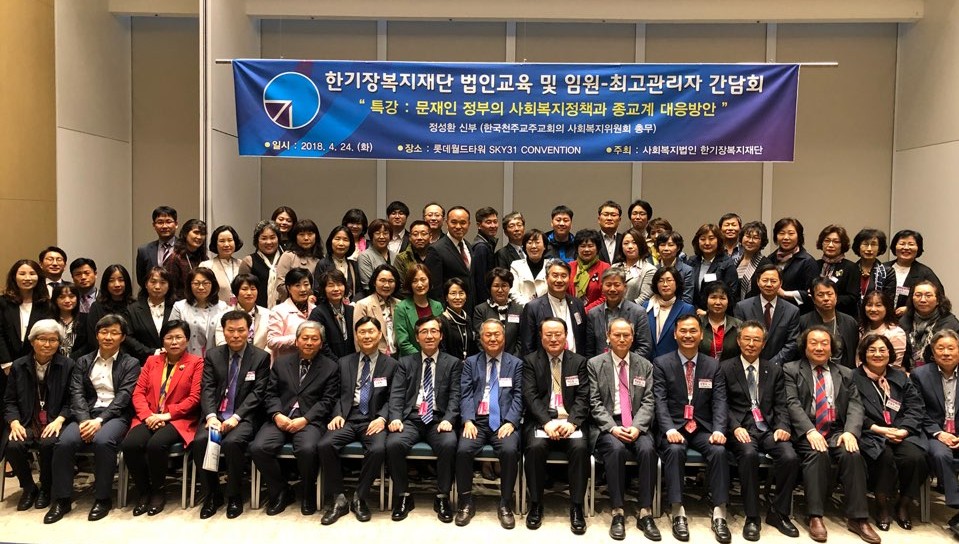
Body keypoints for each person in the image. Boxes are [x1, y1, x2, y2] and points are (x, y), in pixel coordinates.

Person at [783, 326, 879, 544]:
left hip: (836, 430)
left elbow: (855, 404)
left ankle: (858, 518)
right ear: (804, 347)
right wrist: (809, 430)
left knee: (852, 454)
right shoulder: (791, 369)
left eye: (824, 343)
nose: (819, 347)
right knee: (818, 454)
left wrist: (850, 432)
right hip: (806, 431)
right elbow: (792, 403)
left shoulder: (845, 373)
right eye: (813, 343)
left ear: (832, 347)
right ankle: (815, 515)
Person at [45, 314, 139, 524]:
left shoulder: (131, 363)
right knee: (64, 442)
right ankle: (62, 499)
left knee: (103, 441)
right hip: (86, 414)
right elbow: (76, 392)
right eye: (104, 332)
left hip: (115, 415)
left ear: (123, 337)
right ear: (97, 335)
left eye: (114, 333)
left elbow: (124, 397)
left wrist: (99, 421)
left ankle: (103, 498)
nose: (108, 337)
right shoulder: (83, 361)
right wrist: (84, 420)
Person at [653, 314, 731, 544]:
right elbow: (659, 401)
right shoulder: (661, 363)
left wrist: (719, 430)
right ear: (675, 334)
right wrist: (668, 429)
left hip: (702, 427)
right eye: (683, 331)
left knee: (718, 451)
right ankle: (678, 510)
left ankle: (719, 512)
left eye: (693, 331)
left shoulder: (713, 365)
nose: (688, 335)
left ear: (701, 335)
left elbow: (720, 401)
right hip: (674, 427)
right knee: (674, 450)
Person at [718, 321, 800, 541]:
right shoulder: (725, 368)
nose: (751, 344)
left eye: (756, 340)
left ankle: (778, 512)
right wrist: (734, 427)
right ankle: (752, 516)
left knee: (790, 457)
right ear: (738, 341)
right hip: (740, 428)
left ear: (764, 344)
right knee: (748, 455)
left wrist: (782, 426)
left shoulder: (773, 369)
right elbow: (721, 404)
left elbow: (781, 404)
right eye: (747, 339)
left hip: (768, 427)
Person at [251, 321, 338, 517]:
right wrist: (276, 414)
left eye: (314, 339)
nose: (309, 342)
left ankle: (307, 493)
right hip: (280, 417)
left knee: (307, 449)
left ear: (321, 343)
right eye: (305, 338)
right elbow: (270, 393)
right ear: (297, 341)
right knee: (258, 448)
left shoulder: (330, 367)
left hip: (310, 421)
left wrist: (306, 419)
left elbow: (327, 401)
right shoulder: (281, 363)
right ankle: (281, 490)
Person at [319, 317, 398, 524]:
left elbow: (393, 397)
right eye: (362, 332)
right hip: (347, 417)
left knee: (378, 449)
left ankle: (360, 497)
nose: (367, 336)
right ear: (356, 336)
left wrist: (383, 418)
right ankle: (339, 498)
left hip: (373, 419)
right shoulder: (344, 362)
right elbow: (335, 394)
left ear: (379, 335)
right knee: (325, 444)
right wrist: (337, 413)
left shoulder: (391, 364)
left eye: (371, 332)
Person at [587, 317, 660, 541]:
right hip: (609, 425)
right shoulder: (595, 364)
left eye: (626, 335)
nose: (621, 339)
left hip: (637, 423)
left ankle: (645, 511)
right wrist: (611, 428)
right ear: (607, 337)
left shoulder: (645, 365)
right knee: (616, 450)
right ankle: (617, 510)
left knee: (648, 450)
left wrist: (637, 427)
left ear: (633, 337)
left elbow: (649, 401)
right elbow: (594, 402)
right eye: (616, 335)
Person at [121, 319, 203, 516]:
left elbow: (194, 398)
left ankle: (158, 491)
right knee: (130, 444)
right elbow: (138, 393)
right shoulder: (152, 361)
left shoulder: (196, 363)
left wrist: (167, 415)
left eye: (178, 337)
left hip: (178, 419)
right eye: (169, 337)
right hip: (149, 416)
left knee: (156, 445)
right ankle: (143, 491)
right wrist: (148, 416)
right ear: (162, 340)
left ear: (187, 340)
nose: (174, 342)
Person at [195, 310, 271, 519]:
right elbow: (207, 388)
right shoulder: (213, 355)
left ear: (249, 331)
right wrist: (211, 416)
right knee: (201, 442)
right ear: (224, 331)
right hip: (216, 416)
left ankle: (234, 495)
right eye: (231, 330)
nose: (236, 335)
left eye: (241, 330)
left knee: (232, 443)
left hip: (244, 417)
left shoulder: (261, 357)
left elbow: (258, 393)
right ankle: (212, 495)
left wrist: (236, 417)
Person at [386, 315, 462, 522]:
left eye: (434, 331)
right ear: (417, 337)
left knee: (449, 443)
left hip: (438, 419)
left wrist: (449, 419)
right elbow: (397, 394)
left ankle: (442, 496)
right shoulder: (405, 363)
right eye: (424, 332)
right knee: (393, 444)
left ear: (441, 336)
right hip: (411, 418)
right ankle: (403, 495)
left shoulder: (453, 363)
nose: (429, 336)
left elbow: (456, 395)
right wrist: (395, 418)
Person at [522, 318, 590, 534]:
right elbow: (530, 396)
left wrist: (572, 422)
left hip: (570, 422)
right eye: (548, 334)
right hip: (542, 421)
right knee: (535, 448)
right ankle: (535, 503)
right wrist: (547, 422)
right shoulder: (530, 361)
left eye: (558, 334)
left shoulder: (578, 362)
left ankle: (576, 506)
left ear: (565, 336)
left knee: (580, 448)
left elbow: (583, 397)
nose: (553, 339)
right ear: (541, 337)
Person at [853, 333, 927, 531]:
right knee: (882, 456)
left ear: (890, 353)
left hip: (901, 431)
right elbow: (851, 410)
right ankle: (882, 505)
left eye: (882, 350)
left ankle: (903, 504)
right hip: (870, 432)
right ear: (864, 353)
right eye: (872, 350)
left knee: (916, 457)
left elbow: (915, 406)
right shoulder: (853, 377)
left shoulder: (900, 376)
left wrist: (904, 430)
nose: (877, 354)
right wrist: (878, 429)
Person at [454, 319, 523, 529]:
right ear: (481, 339)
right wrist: (467, 420)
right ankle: (466, 501)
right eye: (488, 335)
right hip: (477, 421)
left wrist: (511, 422)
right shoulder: (470, 363)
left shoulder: (516, 363)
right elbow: (465, 394)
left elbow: (519, 396)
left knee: (510, 450)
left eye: (497, 334)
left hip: (503, 421)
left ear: (504, 337)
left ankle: (505, 503)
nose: (493, 338)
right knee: (463, 450)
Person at [3, 320, 74, 511]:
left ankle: (46, 488)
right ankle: (28, 488)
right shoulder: (18, 366)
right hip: (26, 420)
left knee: (49, 443)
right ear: (32, 341)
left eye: (53, 340)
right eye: (42, 339)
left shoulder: (68, 365)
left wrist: (60, 419)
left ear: (59, 343)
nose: (47, 344)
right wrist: (14, 422)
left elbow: (72, 400)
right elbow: (9, 401)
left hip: (55, 420)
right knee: (13, 444)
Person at [911, 329, 959, 537]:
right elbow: (918, 410)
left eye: (951, 348)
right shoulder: (920, 375)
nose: (946, 352)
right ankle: (956, 503)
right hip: (934, 432)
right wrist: (939, 433)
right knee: (940, 455)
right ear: (932, 351)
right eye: (941, 348)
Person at [733, 264, 801, 365]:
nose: (769, 284)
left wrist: (772, 364)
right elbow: (739, 338)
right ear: (758, 282)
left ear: (780, 283)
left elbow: (792, 342)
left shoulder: (792, 311)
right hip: (748, 364)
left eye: (773, 281)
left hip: (779, 367)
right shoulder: (742, 307)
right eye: (765, 280)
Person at [519, 259, 587, 356]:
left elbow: (583, 338)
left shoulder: (578, 304)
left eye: (564, 276)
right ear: (546, 278)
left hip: (575, 362)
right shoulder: (533, 307)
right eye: (555, 275)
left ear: (569, 278)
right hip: (544, 363)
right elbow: (527, 346)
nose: (559, 280)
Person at [0, 260, 51, 385]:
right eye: (22, 274)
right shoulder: (3, 302)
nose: (27, 278)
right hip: (5, 365)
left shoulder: (46, 304)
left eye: (32, 274)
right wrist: (6, 363)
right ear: (14, 277)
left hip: (35, 365)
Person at [585, 267, 652, 359]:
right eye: (608, 285)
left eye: (617, 285)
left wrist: (624, 363)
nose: (612, 289)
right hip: (601, 366)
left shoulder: (638, 312)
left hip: (630, 365)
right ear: (602, 287)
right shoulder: (593, 314)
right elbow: (589, 350)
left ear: (625, 287)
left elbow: (645, 347)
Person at [793, 279, 861, 368]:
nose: (826, 298)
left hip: (843, 372)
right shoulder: (802, 322)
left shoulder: (850, 322)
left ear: (836, 297)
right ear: (813, 299)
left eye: (829, 294)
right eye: (820, 295)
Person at [899, 279, 959, 369]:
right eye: (918, 295)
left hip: (939, 372)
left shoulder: (951, 324)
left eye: (928, 295)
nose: (923, 300)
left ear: (938, 300)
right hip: (908, 372)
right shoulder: (903, 321)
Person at [170, 267, 228, 358]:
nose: (201, 287)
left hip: (216, 360)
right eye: (196, 283)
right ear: (189, 285)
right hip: (186, 359)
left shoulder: (223, 307)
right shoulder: (179, 307)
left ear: (213, 285)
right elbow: (171, 334)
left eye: (206, 283)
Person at [425, 206, 473, 309]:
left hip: (468, 308)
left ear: (469, 224)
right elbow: (435, 288)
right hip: (447, 309)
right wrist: (442, 312)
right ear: (447, 223)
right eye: (454, 222)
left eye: (463, 223)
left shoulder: (468, 246)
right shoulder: (436, 249)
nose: (458, 226)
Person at [643, 266, 697, 359]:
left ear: (677, 283)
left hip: (673, 362)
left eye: (669, 280)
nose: (665, 284)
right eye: (661, 281)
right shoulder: (646, 306)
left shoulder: (687, 309)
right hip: (647, 361)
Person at [767, 217, 819, 314]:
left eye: (791, 233)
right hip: (772, 311)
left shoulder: (808, 262)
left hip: (798, 313)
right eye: (781, 233)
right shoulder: (770, 259)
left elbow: (813, 293)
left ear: (799, 236)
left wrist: (784, 294)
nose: (786, 237)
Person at [124, 266, 174, 364]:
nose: (157, 286)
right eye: (153, 282)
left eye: (162, 282)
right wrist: (152, 352)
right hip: (142, 362)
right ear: (146, 284)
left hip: (173, 361)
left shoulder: (176, 307)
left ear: (169, 286)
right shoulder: (132, 309)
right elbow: (128, 337)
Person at [886, 229, 943, 315]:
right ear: (894, 246)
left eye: (911, 244)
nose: (906, 248)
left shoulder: (925, 272)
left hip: (910, 319)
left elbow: (939, 298)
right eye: (902, 244)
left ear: (918, 248)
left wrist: (910, 308)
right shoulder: (883, 268)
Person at [267, 267, 316, 360]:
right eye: (297, 285)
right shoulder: (279, 311)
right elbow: (271, 342)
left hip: (312, 362)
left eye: (306, 284)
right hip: (286, 363)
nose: (303, 289)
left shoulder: (315, 310)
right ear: (288, 288)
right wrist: (298, 339)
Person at [394, 263, 443, 356]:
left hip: (436, 358)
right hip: (411, 360)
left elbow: (441, 337)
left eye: (423, 280)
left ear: (429, 281)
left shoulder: (438, 306)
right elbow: (403, 342)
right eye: (414, 281)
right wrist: (423, 358)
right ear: (410, 284)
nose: (419, 285)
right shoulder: (401, 308)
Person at [472, 267, 523, 357]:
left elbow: (521, 339)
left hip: (514, 360)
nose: (500, 290)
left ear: (510, 287)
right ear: (490, 288)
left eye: (504, 285)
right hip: (487, 359)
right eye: (496, 286)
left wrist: (513, 360)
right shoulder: (480, 310)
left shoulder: (518, 309)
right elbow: (479, 339)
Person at [353, 264, 402, 356]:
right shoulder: (363, 305)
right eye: (382, 280)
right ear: (374, 282)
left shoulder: (399, 304)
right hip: (374, 356)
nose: (387, 285)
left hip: (397, 356)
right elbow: (358, 338)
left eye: (391, 281)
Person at [687, 223, 739, 310]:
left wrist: (707, 313)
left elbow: (731, 295)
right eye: (703, 239)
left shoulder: (727, 264)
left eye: (711, 239)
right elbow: (688, 291)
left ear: (718, 241)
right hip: (693, 312)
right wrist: (695, 310)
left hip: (717, 313)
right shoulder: (692, 261)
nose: (707, 243)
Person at [307, 269, 356, 359]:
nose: (336, 289)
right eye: (331, 285)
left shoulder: (351, 311)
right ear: (324, 289)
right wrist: (337, 363)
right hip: (328, 363)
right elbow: (321, 345)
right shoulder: (318, 313)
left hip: (350, 362)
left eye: (339, 284)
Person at [214, 274, 270, 350]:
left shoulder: (268, 314)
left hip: (262, 356)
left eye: (253, 289)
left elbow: (270, 342)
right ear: (236, 292)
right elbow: (221, 342)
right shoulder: (224, 315)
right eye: (244, 289)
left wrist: (262, 356)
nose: (249, 293)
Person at [816, 225, 860, 317]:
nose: (830, 245)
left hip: (843, 315)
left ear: (842, 245)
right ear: (821, 243)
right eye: (827, 241)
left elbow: (852, 297)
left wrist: (828, 301)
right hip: (816, 314)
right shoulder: (814, 265)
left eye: (836, 242)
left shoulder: (851, 267)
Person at [239, 219, 284, 309]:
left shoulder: (286, 259)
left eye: (272, 237)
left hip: (283, 312)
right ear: (257, 240)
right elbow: (242, 290)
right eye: (264, 238)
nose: (269, 242)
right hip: (256, 311)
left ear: (278, 239)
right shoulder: (249, 261)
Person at [85, 263, 133, 347]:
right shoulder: (97, 307)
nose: (117, 284)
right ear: (105, 284)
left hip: (131, 353)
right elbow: (93, 338)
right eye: (111, 280)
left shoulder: (135, 306)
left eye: (121, 280)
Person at [275, 219, 324, 302]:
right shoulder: (288, 256)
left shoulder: (321, 258)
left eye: (310, 234)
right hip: (290, 304)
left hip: (315, 304)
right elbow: (280, 285)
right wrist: (303, 296)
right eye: (301, 234)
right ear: (295, 237)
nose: (306, 238)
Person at [859, 289, 907, 367]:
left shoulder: (896, 333)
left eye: (878, 305)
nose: (873, 309)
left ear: (887, 308)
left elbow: (895, 365)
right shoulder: (862, 329)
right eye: (869, 305)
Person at [163, 218, 208, 300]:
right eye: (196, 232)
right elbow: (170, 290)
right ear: (185, 233)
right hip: (181, 304)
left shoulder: (204, 258)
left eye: (202, 234)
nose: (199, 237)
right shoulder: (175, 258)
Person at [199, 225, 244, 305]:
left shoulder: (242, 264)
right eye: (222, 241)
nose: (226, 244)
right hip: (215, 310)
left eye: (230, 240)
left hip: (240, 309)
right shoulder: (206, 266)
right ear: (215, 244)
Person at [135, 205, 178, 288]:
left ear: (176, 224)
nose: (164, 226)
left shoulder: (185, 248)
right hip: (153, 294)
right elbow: (141, 280)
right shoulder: (144, 250)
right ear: (154, 225)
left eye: (168, 222)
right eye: (160, 222)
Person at [568, 228, 610, 311]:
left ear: (597, 248)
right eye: (582, 246)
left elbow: (605, 296)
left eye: (590, 246)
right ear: (577, 248)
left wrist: (585, 311)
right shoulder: (569, 267)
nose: (586, 250)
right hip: (571, 312)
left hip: (596, 314)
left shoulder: (605, 267)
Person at [313, 225, 359, 301]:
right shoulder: (322, 264)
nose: (341, 243)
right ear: (330, 241)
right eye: (337, 239)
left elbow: (359, 291)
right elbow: (318, 291)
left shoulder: (353, 265)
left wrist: (353, 303)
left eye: (345, 240)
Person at [611, 227, 656, 306]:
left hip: (634, 311)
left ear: (641, 245)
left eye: (634, 243)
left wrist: (623, 309)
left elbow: (644, 297)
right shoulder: (614, 267)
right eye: (626, 243)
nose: (630, 246)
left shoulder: (649, 270)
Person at [699, 282, 742, 361]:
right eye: (713, 297)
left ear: (728, 301)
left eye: (722, 298)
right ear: (706, 300)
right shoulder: (697, 323)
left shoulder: (738, 324)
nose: (718, 302)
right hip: (702, 367)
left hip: (730, 367)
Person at [439, 277, 477, 360]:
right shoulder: (442, 321)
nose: (457, 297)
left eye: (461, 293)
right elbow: (442, 350)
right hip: (450, 366)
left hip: (468, 365)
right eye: (453, 293)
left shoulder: (468, 319)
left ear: (466, 297)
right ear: (446, 297)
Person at [50, 282, 89, 359]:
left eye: (71, 296)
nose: (67, 300)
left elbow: (88, 345)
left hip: (79, 362)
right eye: (62, 297)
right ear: (55, 300)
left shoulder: (86, 319)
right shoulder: (48, 320)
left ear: (77, 298)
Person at [509, 228, 548, 306]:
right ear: (525, 247)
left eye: (537, 242)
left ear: (544, 246)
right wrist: (529, 307)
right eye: (529, 243)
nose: (533, 246)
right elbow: (513, 292)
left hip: (546, 309)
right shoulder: (516, 266)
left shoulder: (551, 266)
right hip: (522, 309)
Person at [392, 220, 431, 298]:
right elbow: (398, 286)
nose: (419, 238)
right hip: (409, 301)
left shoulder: (438, 255)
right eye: (415, 234)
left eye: (423, 234)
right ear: (410, 237)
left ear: (430, 236)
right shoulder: (401, 258)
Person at [357, 218, 395, 297]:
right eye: (377, 233)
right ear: (372, 236)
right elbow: (368, 285)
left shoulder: (395, 255)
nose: (381, 237)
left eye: (385, 233)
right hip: (373, 298)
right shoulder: (365, 256)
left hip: (395, 299)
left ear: (390, 236)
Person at [469, 207, 500, 304]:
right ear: (479, 225)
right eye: (488, 222)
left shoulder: (488, 243)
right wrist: (486, 304)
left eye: (495, 222)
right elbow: (481, 281)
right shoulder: (481, 247)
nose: (493, 225)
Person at [654, 231, 694, 304]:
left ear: (678, 248)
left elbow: (687, 299)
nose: (666, 248)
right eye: (662, 245)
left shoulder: (687, 270)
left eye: (670, 245)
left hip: (680, 309)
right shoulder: (653, 269)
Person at [852, 228, 891, 303]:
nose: (869, 249)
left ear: (879, 248)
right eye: (865, 244)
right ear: (858, 247)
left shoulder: (888, 272)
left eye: (873, 244)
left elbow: (889, 300)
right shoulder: (850, 269)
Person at [736, 221, 770, 302]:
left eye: (756, 238)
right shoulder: (736, 262)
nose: (750, 241)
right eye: (748, 236)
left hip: (754, 306)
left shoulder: (765, 264)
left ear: (762, 242)